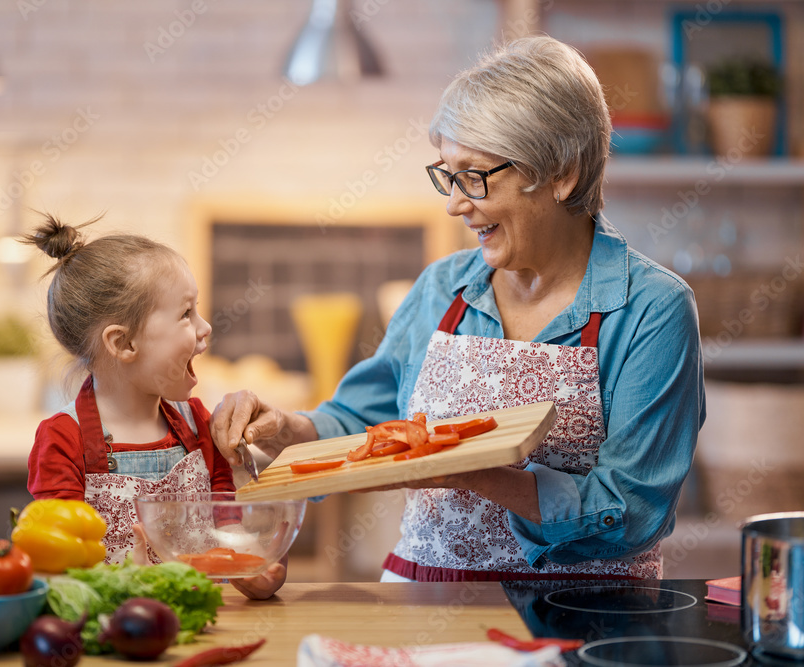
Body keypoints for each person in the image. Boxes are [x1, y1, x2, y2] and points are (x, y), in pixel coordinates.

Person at [210, 35, 704, 581]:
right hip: (422, 591)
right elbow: (360, 424)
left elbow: (634, 511)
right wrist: (284, 428)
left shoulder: (651, 311)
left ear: (562, 173)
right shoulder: (442, 288)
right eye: (448, 174)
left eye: (475, 176)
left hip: (583, 610)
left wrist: (475, 474)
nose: (453, 204)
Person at [25, 214, 285, 599]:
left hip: (201, 621)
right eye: (185, 313)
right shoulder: (63, 439)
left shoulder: (197, 423)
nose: (205, 326)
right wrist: (128, 587)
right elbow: (55, 565)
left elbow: (223, 517)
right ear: (123, 343)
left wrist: (247, 562)